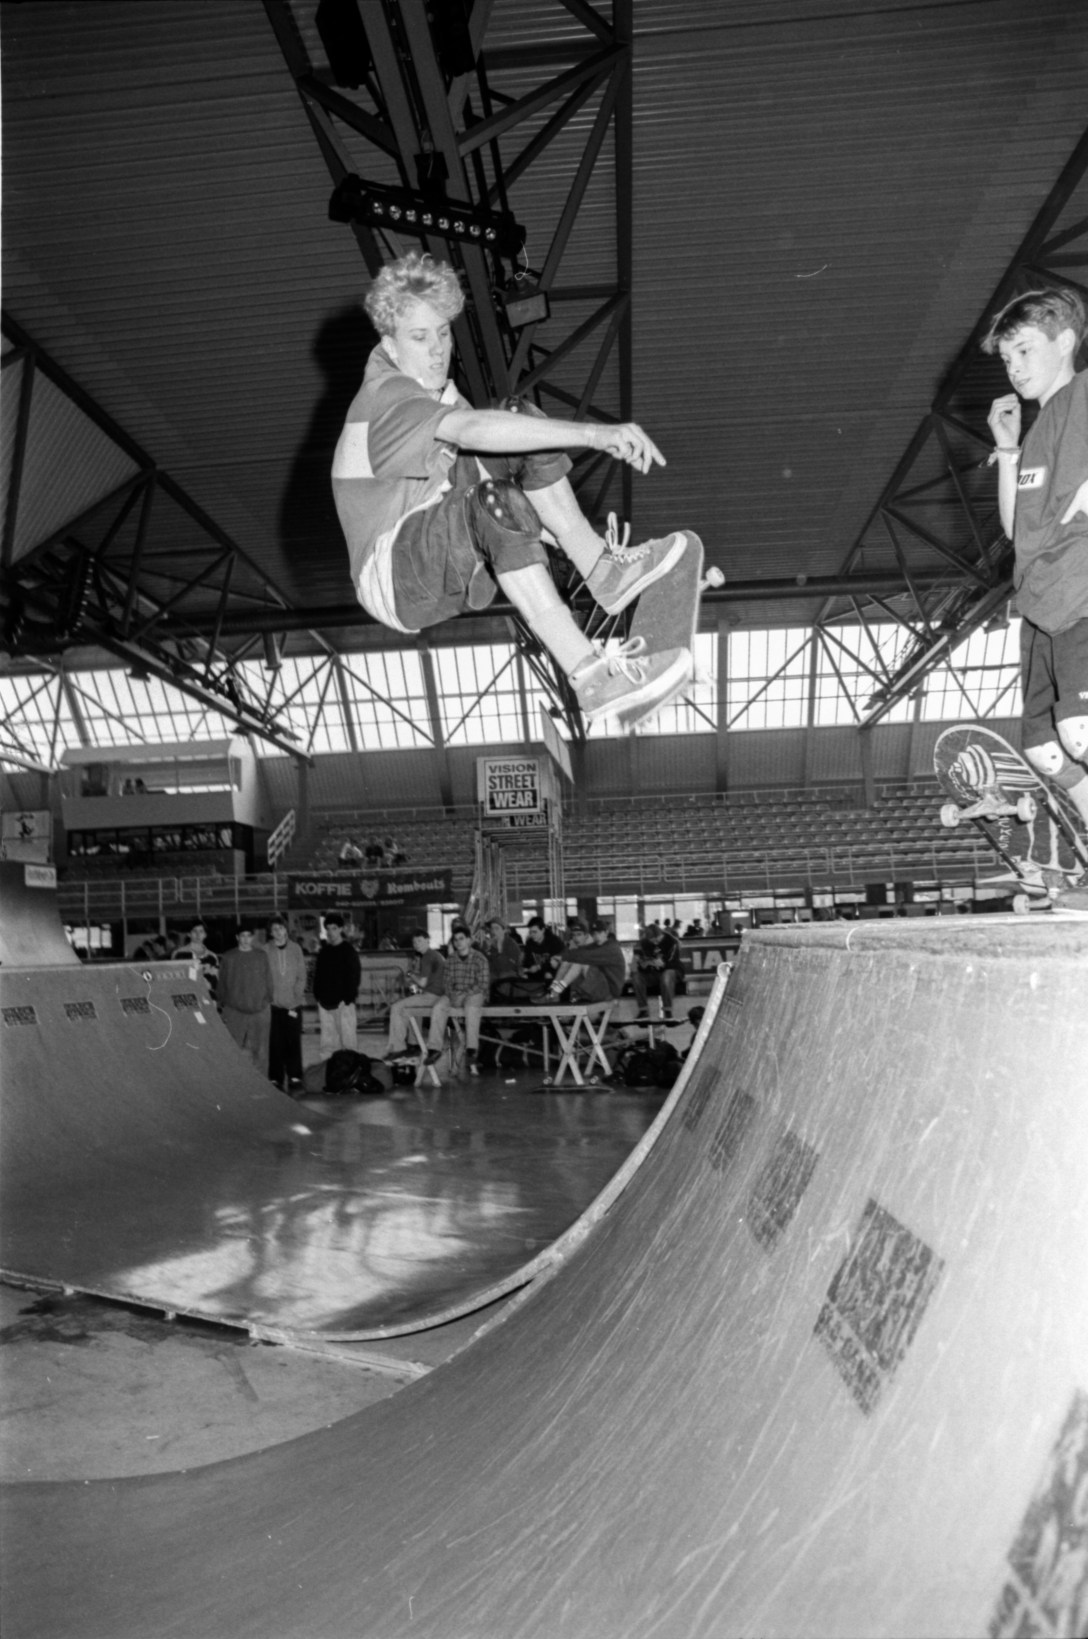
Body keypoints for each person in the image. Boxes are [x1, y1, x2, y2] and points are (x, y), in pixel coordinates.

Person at [331, 251, 691, 725]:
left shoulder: (432, 390)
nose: (438, 350)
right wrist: (595, 435)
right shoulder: (388, 397)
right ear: (390, 346)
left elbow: (494, 470)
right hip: (391, 576)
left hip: (433, 529)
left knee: (516, 419)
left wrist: (567, 542)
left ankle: (603, 571)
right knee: (495, 499)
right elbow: (473, 434)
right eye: (420, 338)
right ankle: (592, 679)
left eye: (443, 333)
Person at [982, 286, 1088, 839]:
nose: (1014, 368)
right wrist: (1007, 449)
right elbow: (1016, 532)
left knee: (1080, 730)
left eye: (1025, 351)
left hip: (1082, 593)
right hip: (1041, 605)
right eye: (1006, 359)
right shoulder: (1039, 427)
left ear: (1065, 341)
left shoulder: (1084, 397)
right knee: (1045, 749)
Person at [429, 924, 490, 1076]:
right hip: (455, 994)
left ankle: (471, 1051)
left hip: (474, 994)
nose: (458, 942)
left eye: (461, 939)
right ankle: (434, 1049)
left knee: (471, 1008)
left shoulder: (480, 958)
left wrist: (463, 994)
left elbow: (482, 984)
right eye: (455, 940)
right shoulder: (450, 960)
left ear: (469, 940)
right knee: (438, 1007)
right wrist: (452, 994)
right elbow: (446, 982)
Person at [384, 928, 447, 1062]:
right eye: (414, 942)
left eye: (419, 940)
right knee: (411, 1011)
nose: (416, 944)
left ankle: (397, 1048)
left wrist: (410, 974)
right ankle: (414, 1044)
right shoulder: (435, 955)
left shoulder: (427, 956)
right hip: (438, 995)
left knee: (396, 1007)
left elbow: (423, 983)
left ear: (428, 940)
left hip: (432, 996)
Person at [217, 925, 273, 1071]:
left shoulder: (261, 956)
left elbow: (268, 981)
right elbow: (222, 983)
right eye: (243, 936)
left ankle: (262, 1085)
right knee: (232, 1051)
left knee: (260, 1052)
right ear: (237, 938)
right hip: (234, 1011)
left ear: (253, 937)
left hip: (259, 1010)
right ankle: (234, 1084)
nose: (246, 939)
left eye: (249, 936)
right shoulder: (228, 957)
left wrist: (267, 1001)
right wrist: (223, 1005)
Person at [265, 915, 306, 1093]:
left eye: (281, 928)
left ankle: (295, 1076)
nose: (278, 933)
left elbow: (302, 975)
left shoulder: (296, 949)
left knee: (293, 1042)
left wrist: (296, 996)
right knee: (275, 1043)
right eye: (274, 930)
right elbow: (263, 977)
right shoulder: (265, 950)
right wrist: (269, 998)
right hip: (273, 1007)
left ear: (286, 930)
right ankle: (276, 1078)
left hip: (293, 1005)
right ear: (270, 932)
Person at [312, 912, 361, 1058]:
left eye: (334, 928)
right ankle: (327, 1073)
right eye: (328, 929)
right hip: (325, 1004)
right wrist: (318, 997)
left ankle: (352, 1075)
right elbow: (318, 976)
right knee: (327, 1045)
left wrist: (347, 999)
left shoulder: (349, 951)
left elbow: (355, 977)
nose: (330, 932)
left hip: (343, 1005)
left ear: (341, 929)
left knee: (349, 1044)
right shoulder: (324, 952)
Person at [546, 916, 626, 1006]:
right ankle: (554, 989)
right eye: (594, 934)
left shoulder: (611, 948)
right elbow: (581, 951)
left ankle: (557, 991)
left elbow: (584, 955)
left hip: (611, 992)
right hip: (601, 987)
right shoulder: (597, 945)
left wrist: (561, 958)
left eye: (599, 933)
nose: (597, 936)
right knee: (572, 961)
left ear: (606, 932)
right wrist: (559, 956)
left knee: (581, 961)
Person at [632, 920, 684, 1021]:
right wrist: (644, 964)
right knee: (636, 976)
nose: (656, 942)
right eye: (653, 941)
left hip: (672, 970)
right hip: (654, 973)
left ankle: (667, 1010)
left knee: (667, 975)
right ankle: (643, 1010)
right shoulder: (643, 944)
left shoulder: (671, 942)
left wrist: (663, 964)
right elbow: (637, 963)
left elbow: (674, 962)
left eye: (658, 939)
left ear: (662, 935)